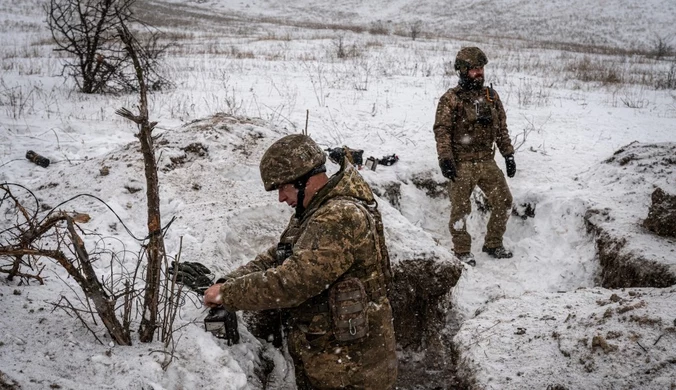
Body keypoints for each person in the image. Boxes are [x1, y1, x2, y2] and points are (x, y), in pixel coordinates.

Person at [203, 134, 398, 389]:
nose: (281, 198)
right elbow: (278, 256)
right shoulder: (312, 210)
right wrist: (228, 281)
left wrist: (228, 294)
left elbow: (293, 282)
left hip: (353, 370)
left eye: (283, 187)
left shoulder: (339, 216)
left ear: (304, 179)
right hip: (331, 362)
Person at [432, 47, 516, 266]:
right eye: (474, 69)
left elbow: (501, 129)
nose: (479, 73)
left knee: (504, 201)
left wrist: (508, 154)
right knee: (460, 210)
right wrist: (445, 159)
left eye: (481, 69)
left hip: (486, 161)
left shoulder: (491, 96)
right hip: (461, 163)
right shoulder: (451, 99)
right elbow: (442, 131)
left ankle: (493, 243)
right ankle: (461, 250)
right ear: (462, 70)